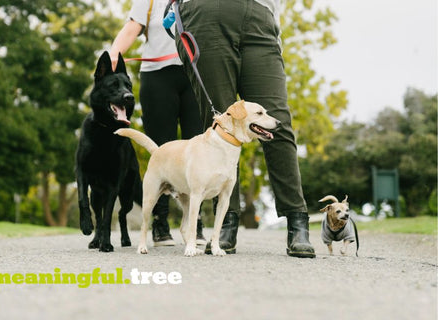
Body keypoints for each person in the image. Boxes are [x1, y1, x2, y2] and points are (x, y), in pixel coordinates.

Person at [175, 0, 316, 257]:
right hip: (205, 14)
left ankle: (297, 220)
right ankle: (226, 222)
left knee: (277, 120)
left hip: (260, 16)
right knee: (222, 124)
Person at [109, 0, 205, 247]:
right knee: (161, 149)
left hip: (196, 72)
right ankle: (160, 224)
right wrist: (113, 53)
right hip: (157, 75)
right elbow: (132, 27)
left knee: (199, 148)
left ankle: (196, 223)